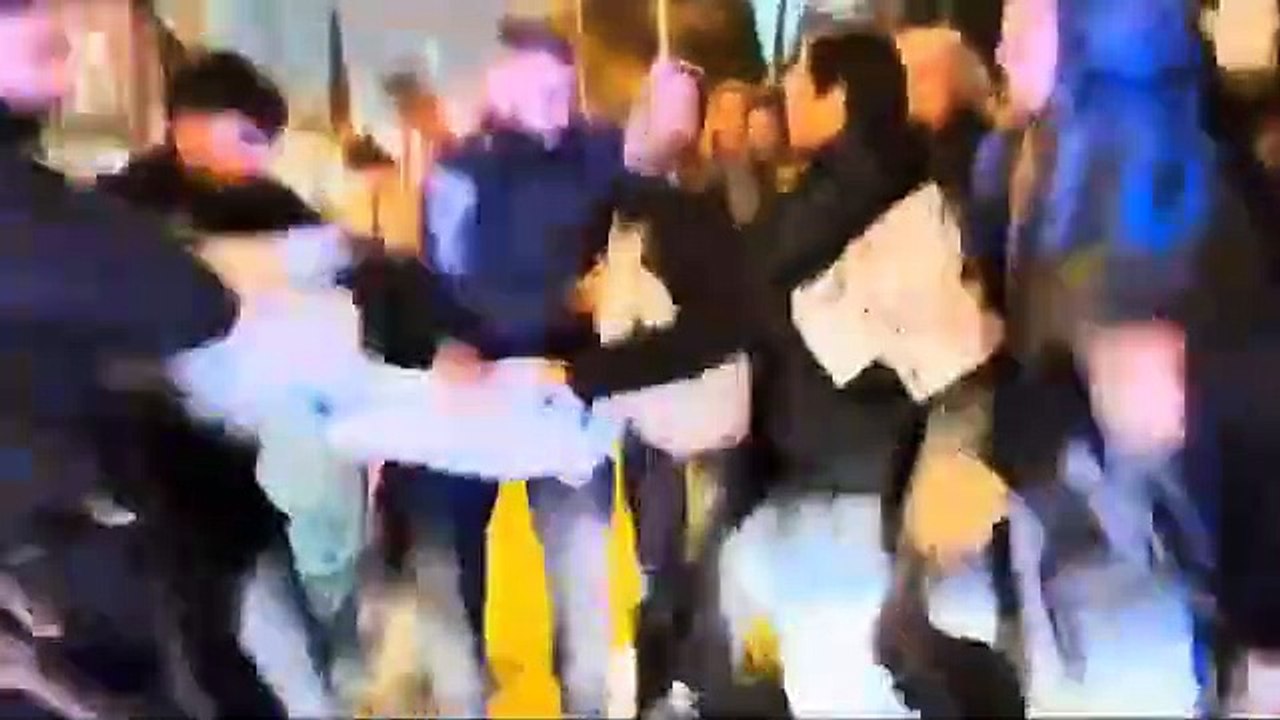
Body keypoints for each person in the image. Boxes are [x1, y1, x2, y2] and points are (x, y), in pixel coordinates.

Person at [376, 5, 626, 714]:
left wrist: (608, 297)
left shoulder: (604, 156)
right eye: (532, 89)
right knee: (448, 569)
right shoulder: (460, 171)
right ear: (499, 86)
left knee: (583, 578)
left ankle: (586, 703)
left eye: (559, 89)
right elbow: (444, 279)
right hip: (474, 390)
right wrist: (453, 342)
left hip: (570, 393)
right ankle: (461, 698)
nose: (549, 106)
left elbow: (637, 251)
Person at [0, 0, 241, 714]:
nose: (66, 60)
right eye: (39, 41)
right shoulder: (31, 210)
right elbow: (194, 302)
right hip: (49, 573)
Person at [95, 50, 340, 716]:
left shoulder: (271, 206)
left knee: (271, 632)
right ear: (191, 127)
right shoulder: (115, 214)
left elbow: (336, 287)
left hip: (232, 473)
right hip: (141, 471)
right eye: (250, 139)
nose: (261, 160)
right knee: (207, 643)